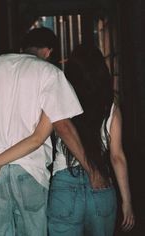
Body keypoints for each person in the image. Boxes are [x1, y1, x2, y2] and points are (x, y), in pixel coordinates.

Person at [0, 27, 90, 236]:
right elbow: (61, 127)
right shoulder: (50, 73)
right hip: (29, 172)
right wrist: (90, 168)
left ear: (23, 47)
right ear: (48, 51)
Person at [47, 44, 135, 236]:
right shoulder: (110, 106)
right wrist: (127, 201)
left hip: (64, 185)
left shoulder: (60, 101)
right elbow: (117, 156)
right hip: (101, 185)